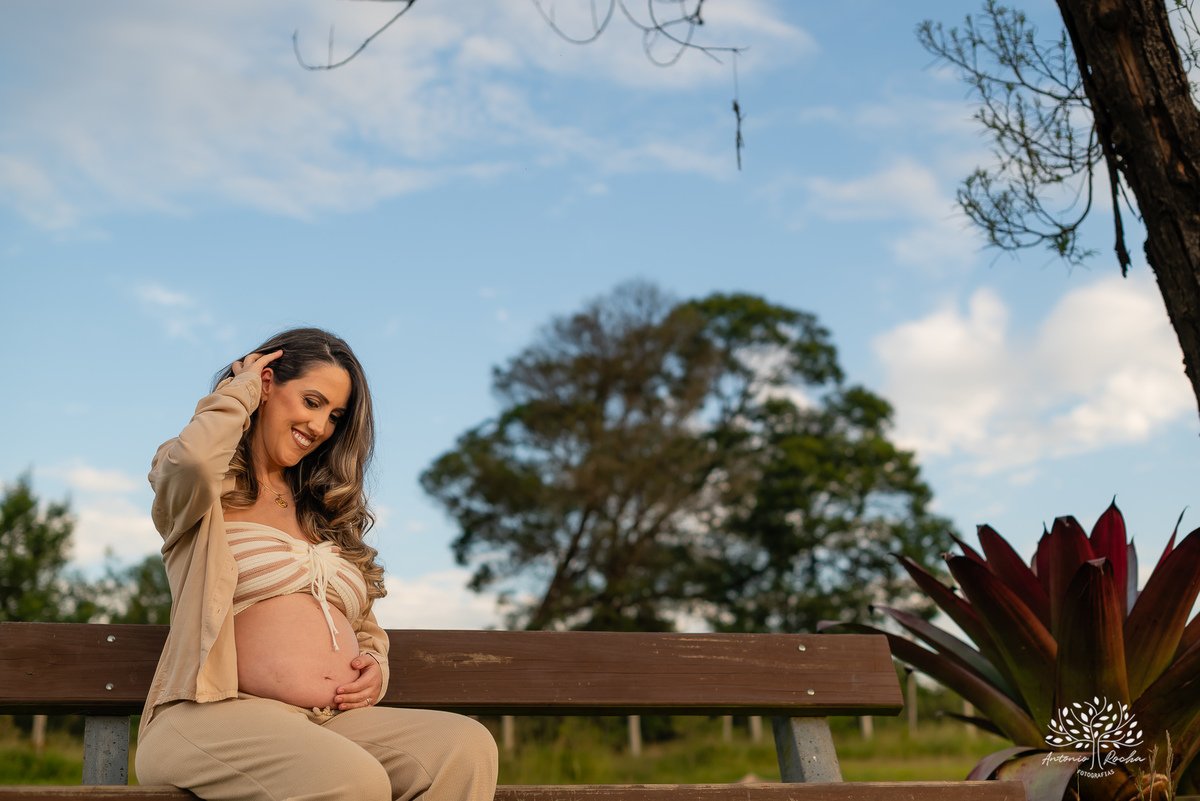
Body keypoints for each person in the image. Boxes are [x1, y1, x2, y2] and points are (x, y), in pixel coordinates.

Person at [134, 328, 498, 801]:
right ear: (267, 385)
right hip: (211, 715)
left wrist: (374, 665)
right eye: (312, 402)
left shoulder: (322, 514)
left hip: (327, 724)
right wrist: (238, 393)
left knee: (464, 747)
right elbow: (196, 463)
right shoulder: (203, 493)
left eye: (335, 416)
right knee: (354, 780)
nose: (321, 426)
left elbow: (365, 628)